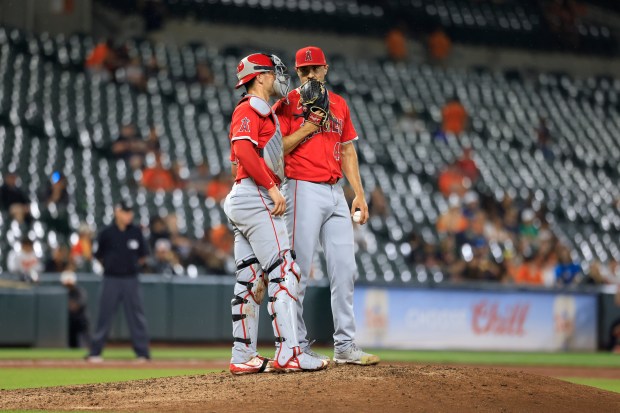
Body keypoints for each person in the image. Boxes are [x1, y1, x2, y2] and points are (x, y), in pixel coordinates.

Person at [274, 46, 380, 365]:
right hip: (301, 187)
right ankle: (296, 345)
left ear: (325, 69)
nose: (308, 75)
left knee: (345, 268)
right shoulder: (288, 103)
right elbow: (276, 150)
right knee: (299, 270)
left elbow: (347, 151)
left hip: (335, 191)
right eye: (303, 71)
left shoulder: (339, 104)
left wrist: (358, 193)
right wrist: (307, 126)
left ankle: (345, 345)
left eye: (314, 69)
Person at [224, 52, 328, 374]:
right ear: (259, 76)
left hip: (243, 196)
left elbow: (235, 161)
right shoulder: (250, 107)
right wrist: (269, 186)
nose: (277, 77)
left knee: (250, 278)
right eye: (272, 72)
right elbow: (242, 150)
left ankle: (243, 356)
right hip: (256, 197)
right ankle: (290, 352)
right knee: (286, 272)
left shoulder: (260, 110)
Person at [86, 200, 151, 362]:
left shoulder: (136, 232)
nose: (128, 215)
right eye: (125, 211)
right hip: (111, 278)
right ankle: (95, 352)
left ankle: (142, 353)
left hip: (131, 279)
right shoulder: (107, 233)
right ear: (117, 212)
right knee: (104, 315)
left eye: (130, 212)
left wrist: (132, 265)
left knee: (136, 317)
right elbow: (99, 256)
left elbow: (144, 256)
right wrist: (111, 265)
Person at [61, 271, 90, 348]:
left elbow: (78, 305)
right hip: (68, 322)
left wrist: (71, 305)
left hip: (80, 321)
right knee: (71, 344)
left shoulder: (79, 291)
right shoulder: (61, 291)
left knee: (83, 343)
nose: (68, 286)